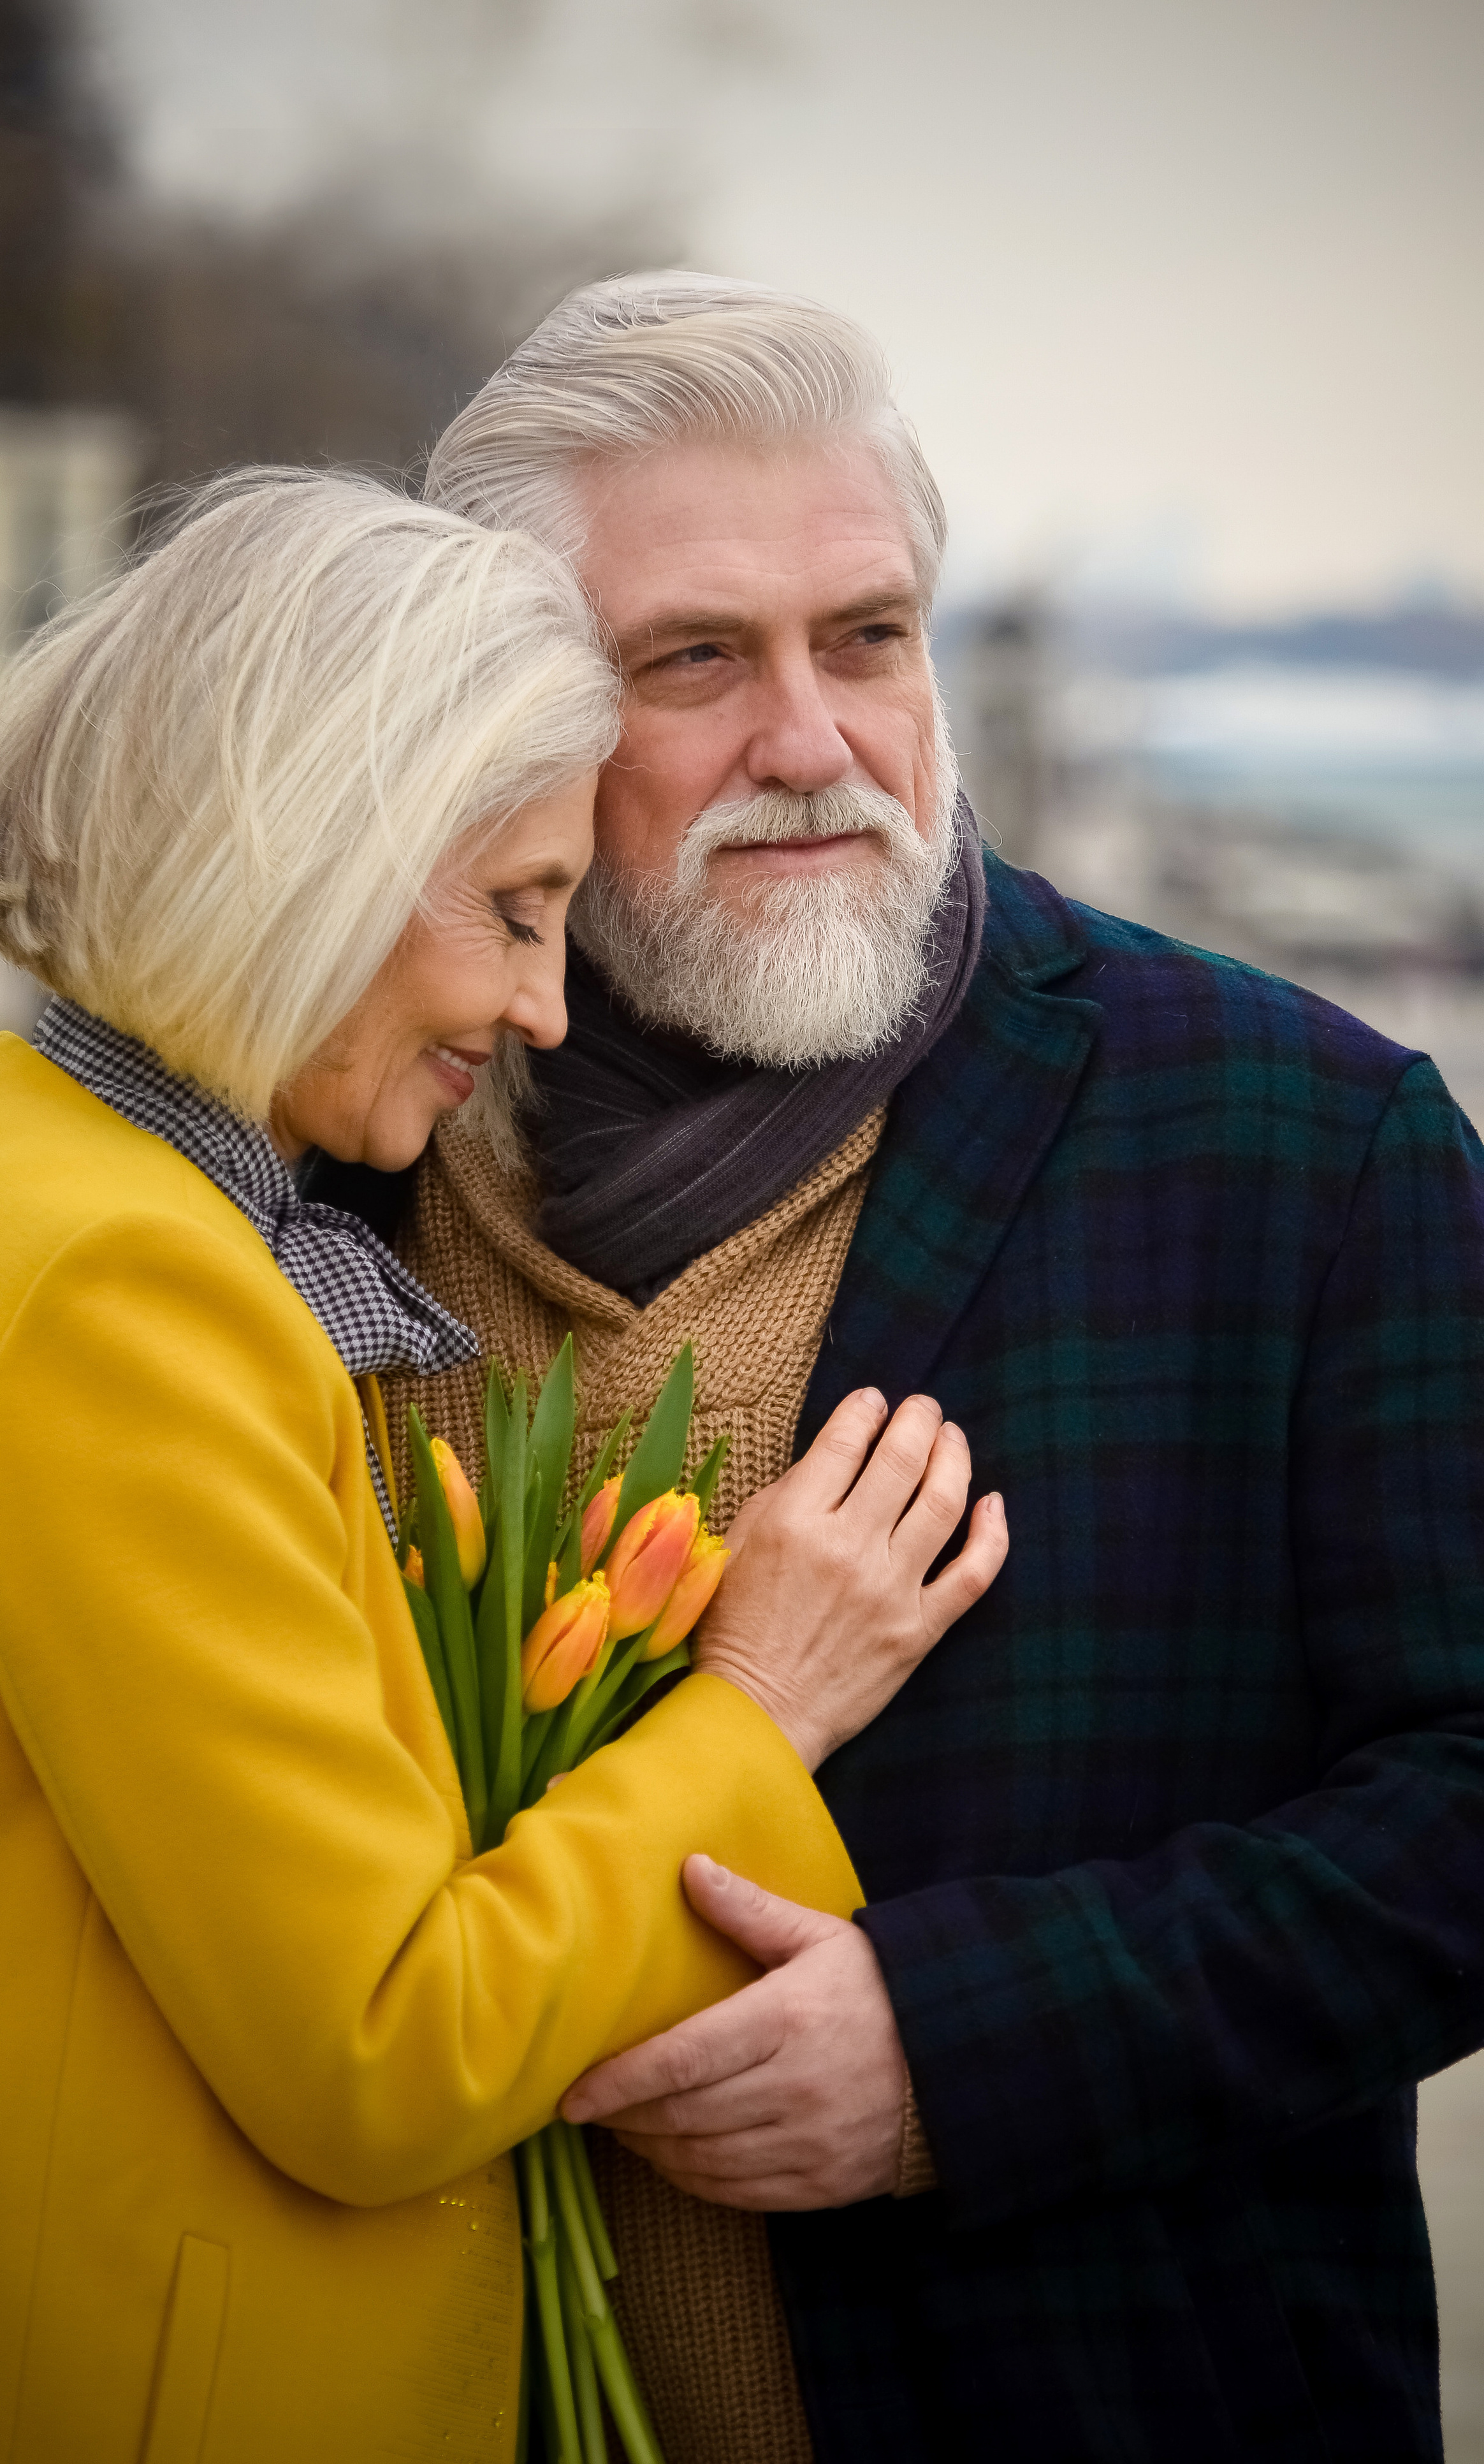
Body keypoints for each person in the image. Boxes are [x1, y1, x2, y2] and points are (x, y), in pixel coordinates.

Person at [351, 279, 1484, 2461]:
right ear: (504, 718)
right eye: (696, 658)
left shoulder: (1301, 1144)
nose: (813, 739)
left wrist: (965, 2053)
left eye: (866, 636)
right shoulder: (342, 1156)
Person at [0, 469, 1010, 2463]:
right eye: (513, 910)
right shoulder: (130, 1284)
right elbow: (382, 2045)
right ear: (303, 850)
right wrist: (758, 1700)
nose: (546, 1005)